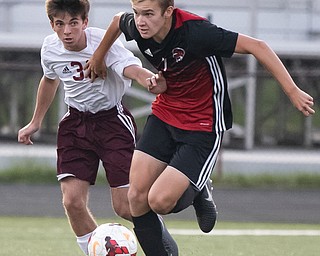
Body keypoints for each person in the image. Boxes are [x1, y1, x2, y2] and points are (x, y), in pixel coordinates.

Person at [86, 0, 315, 255]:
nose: (140, 20)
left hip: (203, 123)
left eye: (149, 14)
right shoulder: (137, 25)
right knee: (136, 199)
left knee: (159, 201)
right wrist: (98, 56)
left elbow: (257, 46)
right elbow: (118, 20)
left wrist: (292, 90)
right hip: (166, 113)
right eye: (138, 13)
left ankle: (198, 187)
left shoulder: (197, 32)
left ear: (169, 12)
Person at [17, 0, 169, 255]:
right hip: (74, 124)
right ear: (52, 25)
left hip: (112, 123)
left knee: (124, 207)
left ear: (85, 22)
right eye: (60, 24)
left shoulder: (103, 42)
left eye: (73, 23)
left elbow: (132, 68)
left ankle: (159, 236)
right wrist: (35, 121)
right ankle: (99, 252)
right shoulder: (50, 48)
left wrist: (150, 79)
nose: (67, 31)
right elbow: (49, 80)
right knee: (72, 202)